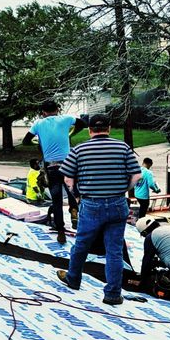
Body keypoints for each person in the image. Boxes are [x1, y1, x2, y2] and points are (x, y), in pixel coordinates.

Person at [56, 114, 140, 305]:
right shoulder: (123, 148)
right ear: (108, 129)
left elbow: (68, 178)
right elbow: (136, 175)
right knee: (114, 251)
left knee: (82, 244)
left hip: (91, 204)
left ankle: (73, 278)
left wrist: (77, 197)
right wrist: (122, 190)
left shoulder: (79, 150)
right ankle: (112, 294)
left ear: (89, 130)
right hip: (118, 204)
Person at [22, 100, 86, 244]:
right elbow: (83, 123)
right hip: (68, 165)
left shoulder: (38, 124)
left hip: (51, 167)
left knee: (56, 200)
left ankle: (61, 231)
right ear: (57, 109)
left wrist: (37, 142)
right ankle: (74, 211)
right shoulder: (66, 119)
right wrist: (70, 133)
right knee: (72, 191)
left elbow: (26, 141)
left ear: (43, 112)